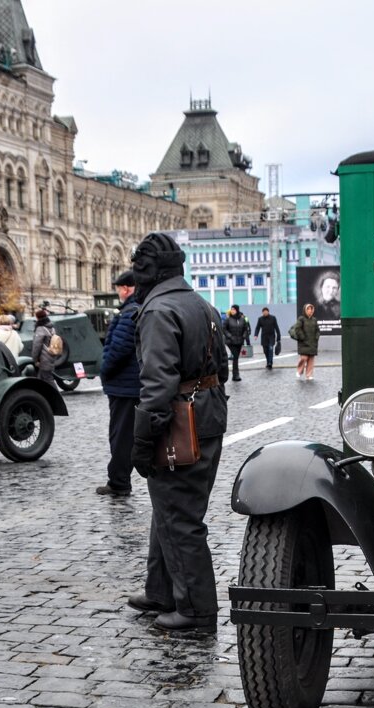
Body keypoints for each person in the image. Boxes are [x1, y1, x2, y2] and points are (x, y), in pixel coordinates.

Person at [128, 232, 228, 633]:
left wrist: (141, 440)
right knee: (168, 510)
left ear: (148, 271)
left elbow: (157, 384)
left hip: (179, 421)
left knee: (181, 517)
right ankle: (162, 590)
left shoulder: (158, 311)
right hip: (206, 414)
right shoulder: (201, 304)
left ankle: (197, 611)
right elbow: (220, 366)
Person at [97, 270, 141, 497]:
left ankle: (119, 482)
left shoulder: (129, 313)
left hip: (125, 387)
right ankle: (118, 479)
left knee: (121, 436)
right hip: (130, 385)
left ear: (125, 289)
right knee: (126, 435)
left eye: (119, 289)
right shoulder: (137, 309)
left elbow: (118, 349)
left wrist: (104, 370)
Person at [293, 303, 321, 381]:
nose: (310, 311)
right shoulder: (301, 319)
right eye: (308, 309)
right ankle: (299, 371)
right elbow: (297, 329)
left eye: (311, 309)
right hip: (304, 343)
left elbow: (318, 330)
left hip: (312, 343)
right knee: (304, 358)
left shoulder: (314, 320)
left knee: (311, 360)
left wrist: (317, 337)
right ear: (305, 310)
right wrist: (302, 337)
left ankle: (309, 375)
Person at [222, 304, 249, 381]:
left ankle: (235, 375)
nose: (232, 311)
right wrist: (230, 336)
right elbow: (224, 329)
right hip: (230, 342)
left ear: (237, 310)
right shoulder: (228, 319)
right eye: (231, 309)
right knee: (236, 357)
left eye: (234, 309)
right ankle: (236, 375)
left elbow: (246, 329)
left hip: (239, 341)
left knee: (236, 358)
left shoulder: (242, 319)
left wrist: (244, 336)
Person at [30, 308, 55, 386]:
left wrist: (35, 359)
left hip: (44, 357)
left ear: (38, 318)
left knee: (48, 378)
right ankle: (39, 396)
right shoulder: (51, 327)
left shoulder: (40, 329)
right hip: (51, 355)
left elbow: (37, 345)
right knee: (40, 379)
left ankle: (56, 396)